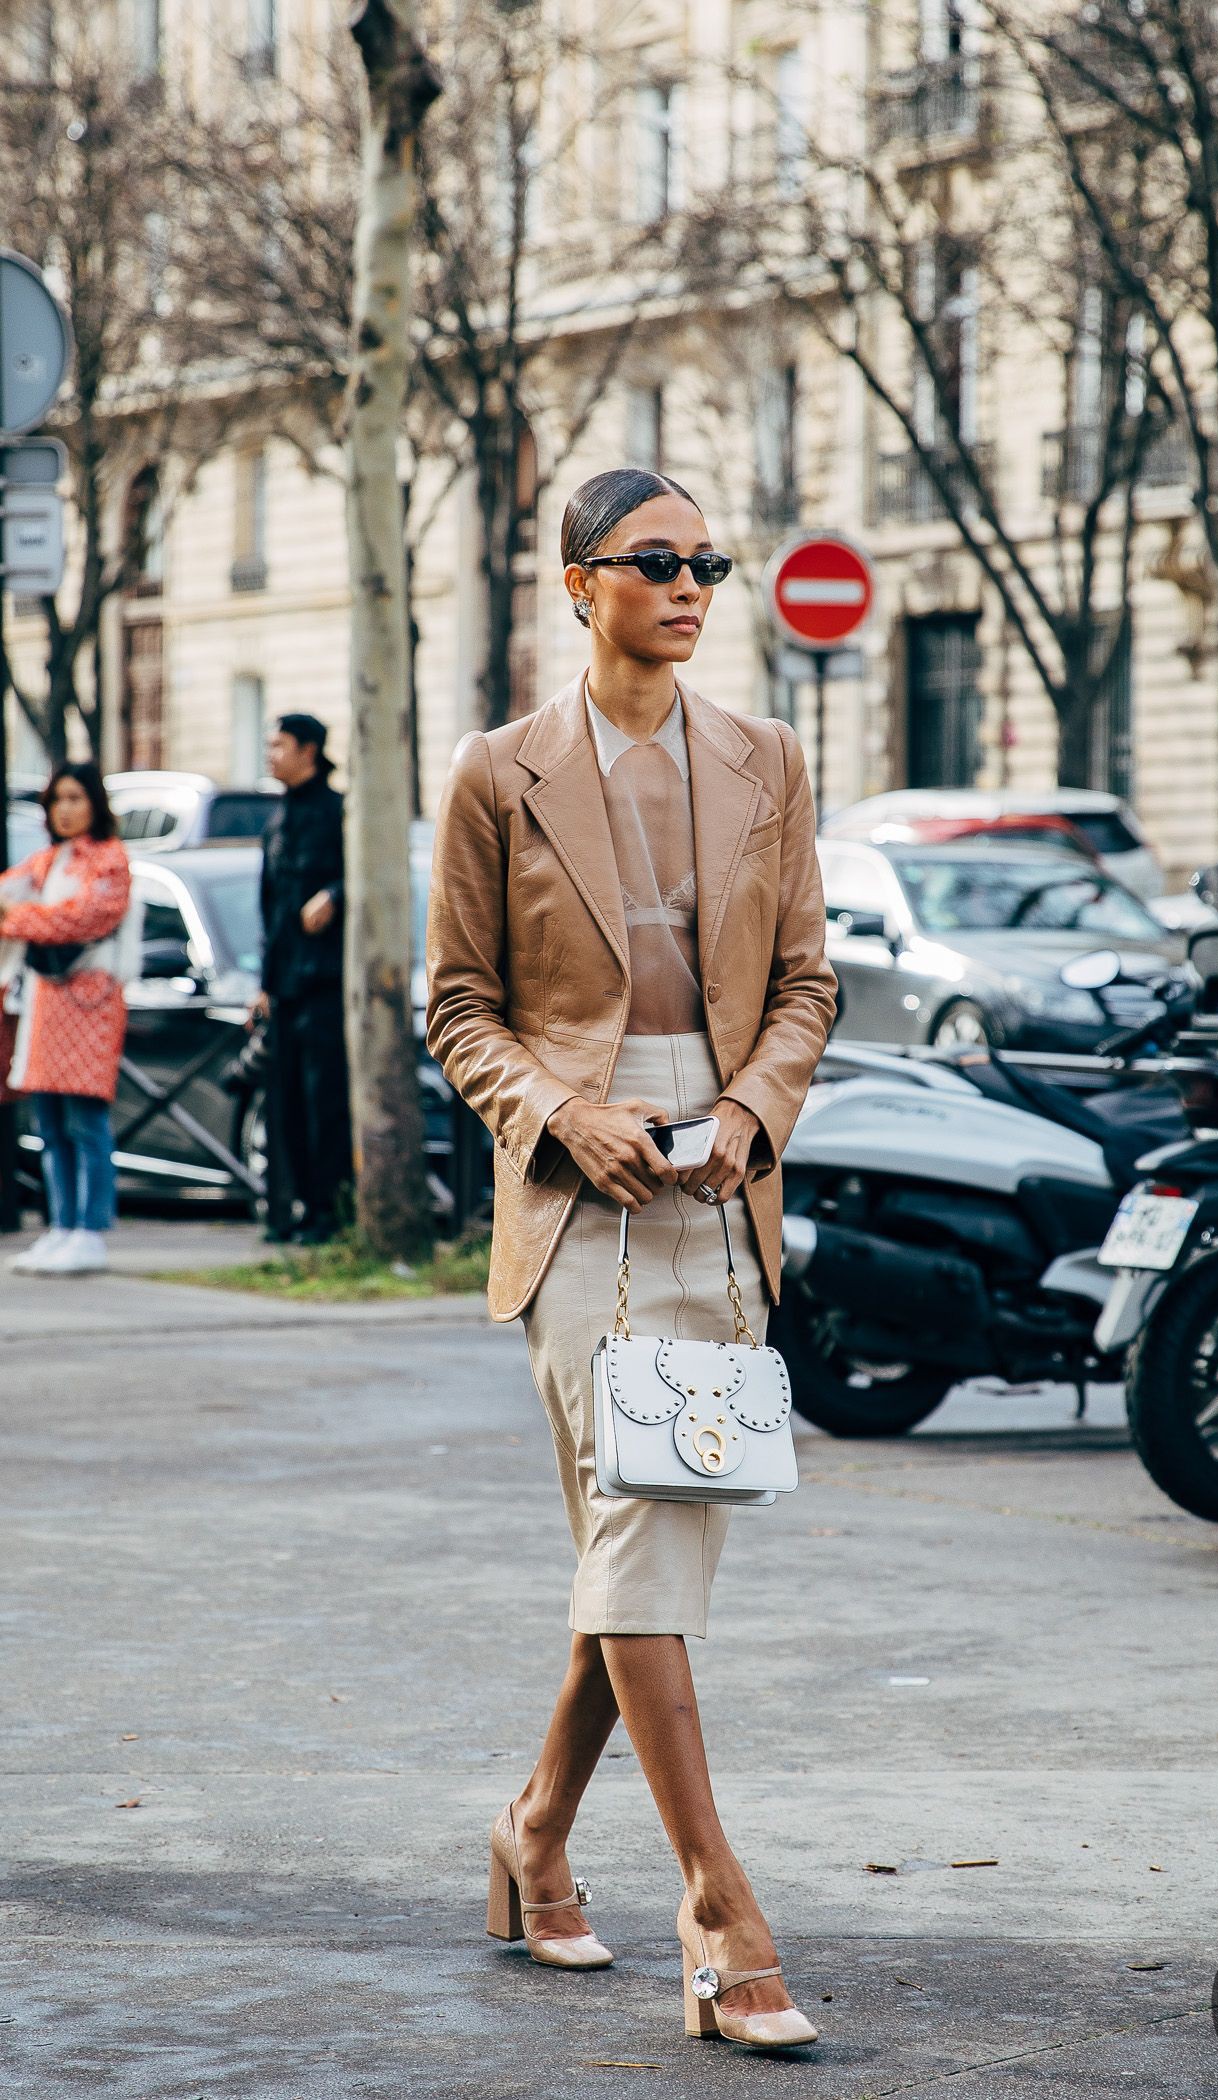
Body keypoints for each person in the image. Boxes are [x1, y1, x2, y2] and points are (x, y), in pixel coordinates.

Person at [427, 468, 838, 2052]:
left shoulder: (768, 759)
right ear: (579, 582)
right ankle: (719, 1904)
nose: (690, 586)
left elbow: (807, 982)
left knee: (646, 1537)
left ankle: (535, 1830)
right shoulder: (497, 773)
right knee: (642, 1522)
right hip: (575, 1191)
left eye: (706, 564)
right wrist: (557, 1111)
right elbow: (461, 1004)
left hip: (721, 1190)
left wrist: (748, 1108)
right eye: (656, 563)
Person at [0, 763, 134, 1276]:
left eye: (75, 797)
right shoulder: (47, 859)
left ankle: (91, 1229)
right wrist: (23, 915)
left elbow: (82, 917)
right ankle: (61, 1225)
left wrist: (18, 919)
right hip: (46, 1002)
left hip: (89, 1002)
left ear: (95, 803)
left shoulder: (109, 861)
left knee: (86, 1119)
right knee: (51, 1123)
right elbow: (9, 894)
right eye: (57, 799)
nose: (65, 808)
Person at [250, 714, 352, 1245]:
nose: (271, 753)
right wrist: (263, 986)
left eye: (280, 745)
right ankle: (287, 1213)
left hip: (327, 987)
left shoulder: (338, 812)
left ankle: (327, 1214)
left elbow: (365, 878)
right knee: (285, 1104)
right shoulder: (277, 819)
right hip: (286, 987)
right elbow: (269, 910)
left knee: (324, 1105)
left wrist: (334, 895)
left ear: (309, 749)